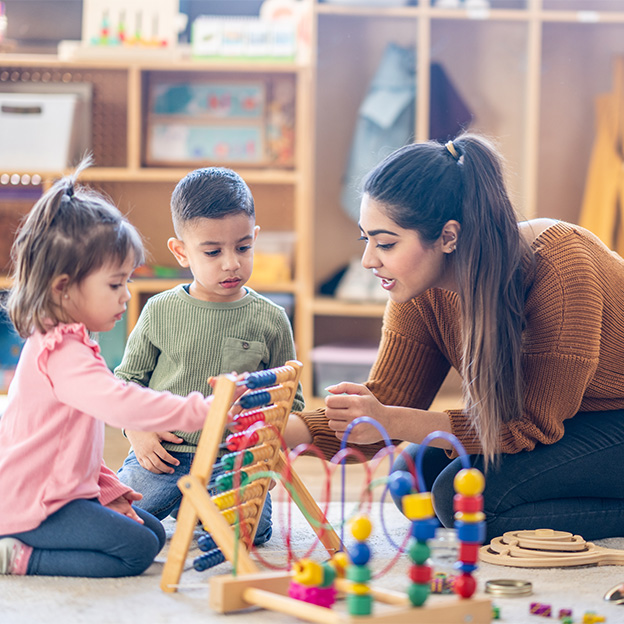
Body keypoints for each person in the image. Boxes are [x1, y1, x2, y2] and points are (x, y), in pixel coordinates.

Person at [285, 132, 624, 542]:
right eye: (367, 239)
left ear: (448, 237)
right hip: (566, 419)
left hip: (604, 417)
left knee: (461, 503)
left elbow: (527, 425)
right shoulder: (417, 288)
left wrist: (388, 419)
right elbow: (388, 402)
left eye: (386, 243)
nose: (368, 260)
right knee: (409, 478)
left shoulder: (562, 271)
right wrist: (284, 432)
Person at [0, 161, 219, 577]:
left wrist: (109, 490)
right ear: (63, 287)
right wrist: (202, 410)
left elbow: (71, 445)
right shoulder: (61, 352)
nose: (126, 296)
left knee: (153, 534)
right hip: (35, 501)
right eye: (115, 284)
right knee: (136, 551)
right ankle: (17, 556)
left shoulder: (73, 339)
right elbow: (123, 405)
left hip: (62, 489)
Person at [116, 167, 304, 546]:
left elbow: (292, 401)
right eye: (213, 251)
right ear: (181, 251)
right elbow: (124, 382)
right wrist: (137, 430)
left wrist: (258, 443)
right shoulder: (159, 310)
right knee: (115, 520)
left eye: (243, 247)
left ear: (255, 239)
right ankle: (185, 503)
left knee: (250, 534)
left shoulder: (272, 319)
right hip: (164, 455)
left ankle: (195, 508)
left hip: (232, 462)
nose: (231, 263)